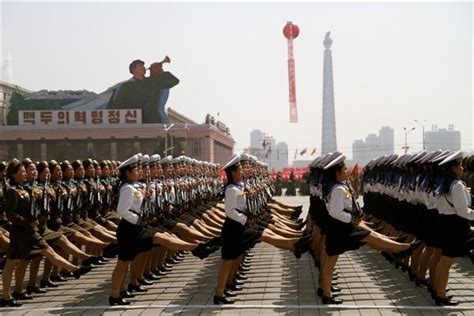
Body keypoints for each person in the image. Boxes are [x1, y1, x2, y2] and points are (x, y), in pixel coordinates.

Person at [108, 154, 216, 306]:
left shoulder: (136, 186)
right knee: (123, 262)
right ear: (127, 172)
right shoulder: (126, 188)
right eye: (136, 169)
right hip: (129, 229)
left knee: (163, 238)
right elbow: (122, 211)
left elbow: (146, 203)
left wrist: (149, 196)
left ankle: (197, 247)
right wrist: (138, 218)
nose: (139, 172)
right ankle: (115, 295)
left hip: (139, 227)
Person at [213, 154, 311, 305]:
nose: (242, 172)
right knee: (228, 259)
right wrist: (246, 219)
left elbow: (244, 205)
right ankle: (219, 293)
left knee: (239, 253)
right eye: (240, 169)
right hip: (233, 227)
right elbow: (230, 211)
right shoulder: (231, 189)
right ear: (233, 172)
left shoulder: (240, 187)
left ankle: (294, 244)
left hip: (240, 226)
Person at [1, 159, 91, 308]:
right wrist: (27, 222)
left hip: (27, 231)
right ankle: (74, 269)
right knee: (44, 252)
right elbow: (11, 215)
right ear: (14, 174)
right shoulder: (12, 191)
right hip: (23, 232)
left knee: (12, 263)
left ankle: (7, 295)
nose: (25, 174)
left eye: (25, 171)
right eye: (22, 171)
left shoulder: (27, 189)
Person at [432, 151, 474, 305]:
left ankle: (438, 291)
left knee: (444, 260)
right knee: (446, 261)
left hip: (445, 222)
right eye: (460, 165)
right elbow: (463, 211)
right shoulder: (456, 186)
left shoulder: (444, 184)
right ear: (453, 168)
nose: (462, 168)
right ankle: (440, 294)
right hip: (455, 225)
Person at [108, 59, 179, 124]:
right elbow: (117, 105)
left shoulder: (152, 81)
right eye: (140, 66)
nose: (144, 67)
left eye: (143, 66)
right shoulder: (126, 86)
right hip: (133, 122)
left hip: (153, 121)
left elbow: (174, 81)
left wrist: (160, 71)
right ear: (133, 70)